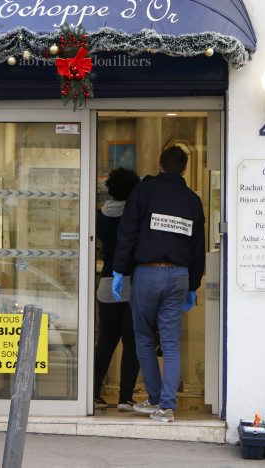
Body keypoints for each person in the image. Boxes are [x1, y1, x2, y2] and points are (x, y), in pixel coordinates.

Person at [112, 145, 205, 424]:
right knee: (170, 341)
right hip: (178, 276)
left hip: (147, 273)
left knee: (143, 337)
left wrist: (118, 270)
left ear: (160, 165)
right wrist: (193, 285)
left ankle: (155, 398)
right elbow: (197, 245)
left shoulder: (144, 192)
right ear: (185, 169)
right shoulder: (192, 200)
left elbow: (127, 232)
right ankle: (166, 406)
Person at [93, 167, 141, 412]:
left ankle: (93, 392)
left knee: (106, 341)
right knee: (132, 342)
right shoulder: (136, 216)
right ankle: (125, 397)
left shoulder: (99, 217)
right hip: (133, 282)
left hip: (107, 281)